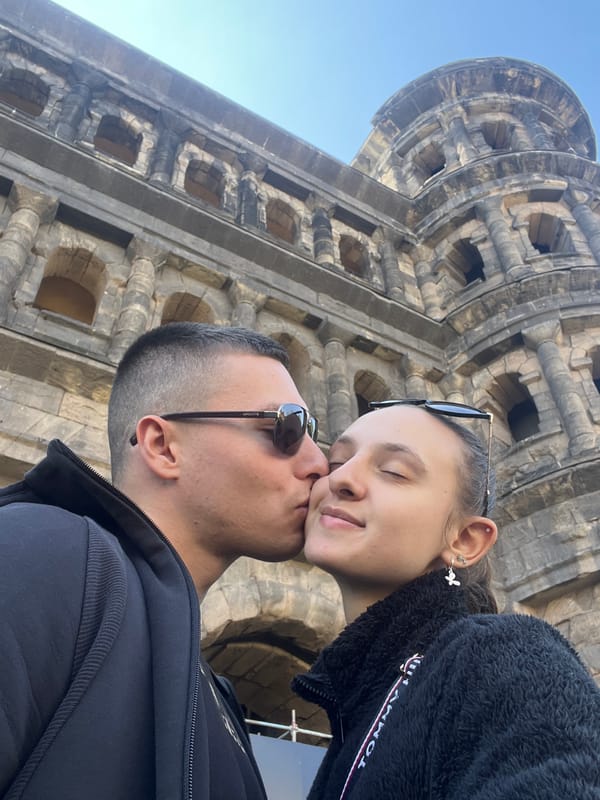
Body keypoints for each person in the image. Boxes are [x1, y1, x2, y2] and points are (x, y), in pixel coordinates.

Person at [0, 322, 328, 800]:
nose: (319, 463)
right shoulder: (42, 551)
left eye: (312, 433)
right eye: (286, 429)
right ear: (162, 446)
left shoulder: (215, 691)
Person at [293, 399, 600, 800]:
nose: (341, 479)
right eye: (336, 463)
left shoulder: (502, 654)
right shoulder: (355, 706)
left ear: (465, 540)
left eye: (394, 471)